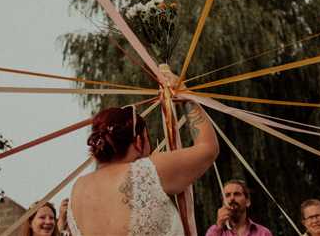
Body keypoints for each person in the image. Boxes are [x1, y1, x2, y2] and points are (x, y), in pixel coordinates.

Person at [67, 72, 219, 235]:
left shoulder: (78, 188)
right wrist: (186, 97)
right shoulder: (147, 170)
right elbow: (208, 148)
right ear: (139, 142)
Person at [205, 179, 273, 236]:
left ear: (248, 202)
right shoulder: (215, 231)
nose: (232, 198)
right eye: (227, 195)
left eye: (237, 194)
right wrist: (219, 226)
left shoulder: (263, 233)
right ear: (223, 203)